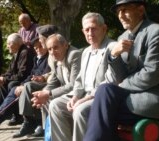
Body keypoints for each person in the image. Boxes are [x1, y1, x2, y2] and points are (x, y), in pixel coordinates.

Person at [83, 0, 159, 141]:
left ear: (140, 10)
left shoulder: (157, 33)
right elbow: (121, 76)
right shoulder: (123, 37)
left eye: (125, 9)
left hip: (155, 100)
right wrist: (114, 56)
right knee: (103, 92)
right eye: (118, 11)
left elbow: (151, 75)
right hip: (132, 97)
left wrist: (122, 85)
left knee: (101, 106)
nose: (121, 15)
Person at [49, 12, 117, 141]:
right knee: (55, 105)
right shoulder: (85, 51)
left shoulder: (112, 47)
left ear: (104, 28)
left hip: (100, 96)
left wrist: (84, 99)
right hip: (83, 95)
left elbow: (111, 80)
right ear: (83, 31)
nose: (90, 33)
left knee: (80, 110)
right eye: (87, 29)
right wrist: (75, 97)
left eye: (94, 28)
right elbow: (79, 80)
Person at [0, 34, 49, 131]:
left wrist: (20, 84)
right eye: (35, 47)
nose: (7, 46)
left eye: (8, 44)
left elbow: (23, 74)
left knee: (12, 85)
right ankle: (2, 116)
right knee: (5, 84)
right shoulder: (31, 56)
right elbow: (13, 72)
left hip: (40, 85)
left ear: (16, 44)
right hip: (29, 82)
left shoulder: (26, 53)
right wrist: (2, 78)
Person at [12, 24, 60, 138]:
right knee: (24, 86)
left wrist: (45, 79)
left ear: (47, 38)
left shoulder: (55, 50)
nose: (38, 40)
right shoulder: (48, 52)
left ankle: (33, 122)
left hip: (59, 84)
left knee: (30, 87)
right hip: (50, 80)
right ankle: (29, 121)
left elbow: (58, 72)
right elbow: (53, 72)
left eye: (40, 37)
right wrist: (43, 77)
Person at [31, 33, 82, 138]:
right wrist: (42, 94)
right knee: (45, 99)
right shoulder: (53, 58)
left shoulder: (74, 55)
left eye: (55, 47)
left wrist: (48, 93)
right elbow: (53, 81)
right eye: (49, 49)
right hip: (67, 93)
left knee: (53, 101)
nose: (52, 52)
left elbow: (74, 84)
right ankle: (49, 135)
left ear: (65, 45)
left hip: (80, 93)